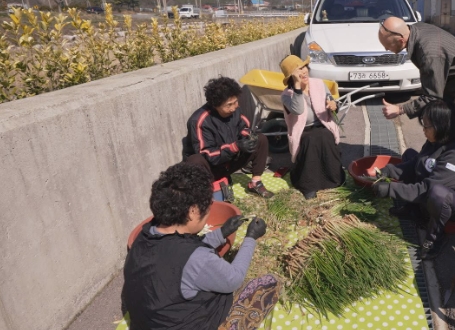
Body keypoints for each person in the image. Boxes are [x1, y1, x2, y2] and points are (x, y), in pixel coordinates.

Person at [122, 162, 278, 330]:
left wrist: (221, 232)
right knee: (271, 283)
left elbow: (179, 254)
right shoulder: (197, 258)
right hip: (188, 324)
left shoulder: (145, 235)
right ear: (193, 211)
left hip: (148, 321)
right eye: (207, 207)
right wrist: (251, 237)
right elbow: (234, 279)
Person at [372, 100, 455, 260]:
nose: (423, 131)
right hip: (437, 185)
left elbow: (425, 189)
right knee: (410, 155)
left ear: (441, 126)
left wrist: (390, 189)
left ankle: (435, 238)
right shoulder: (441, 137)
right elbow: (418, 162)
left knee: (437, 194)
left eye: (426, 127)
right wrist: (389, 171)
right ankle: (415, 210)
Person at [377, 16, 455, 136]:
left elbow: (432, 97)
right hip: (453, 77)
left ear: (401, 40)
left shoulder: (429, 54)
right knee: (441, 124)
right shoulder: (415, 29)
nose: (386, 49)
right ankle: (436, 153)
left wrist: (400, 109)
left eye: (388, 45)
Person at [182, 76, 274, 199]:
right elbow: (207, 153)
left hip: (230, 161)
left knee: (260, 139)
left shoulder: (235, 110)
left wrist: (248, 136)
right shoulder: (199, 120)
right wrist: (235, 146)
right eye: (228, 105)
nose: (233, 108)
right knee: (195, 160)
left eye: (235, 102)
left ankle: (255, 183)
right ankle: (208, 191)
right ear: (215, 105)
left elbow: (243, 127)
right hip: (212, 166)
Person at [279, 55, 345, 199]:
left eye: (303, 67)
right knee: (311, 141)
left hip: (322, 124)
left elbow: (332, 103)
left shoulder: (319, 84)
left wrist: (334, 105)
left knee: (326, 137)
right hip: (302, 130)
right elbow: (297, 110)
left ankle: (333, 180)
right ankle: (308, 185)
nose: (303, 72)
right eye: (297, 71)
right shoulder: (287, 95)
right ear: (291, 77)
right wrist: (297, 87)